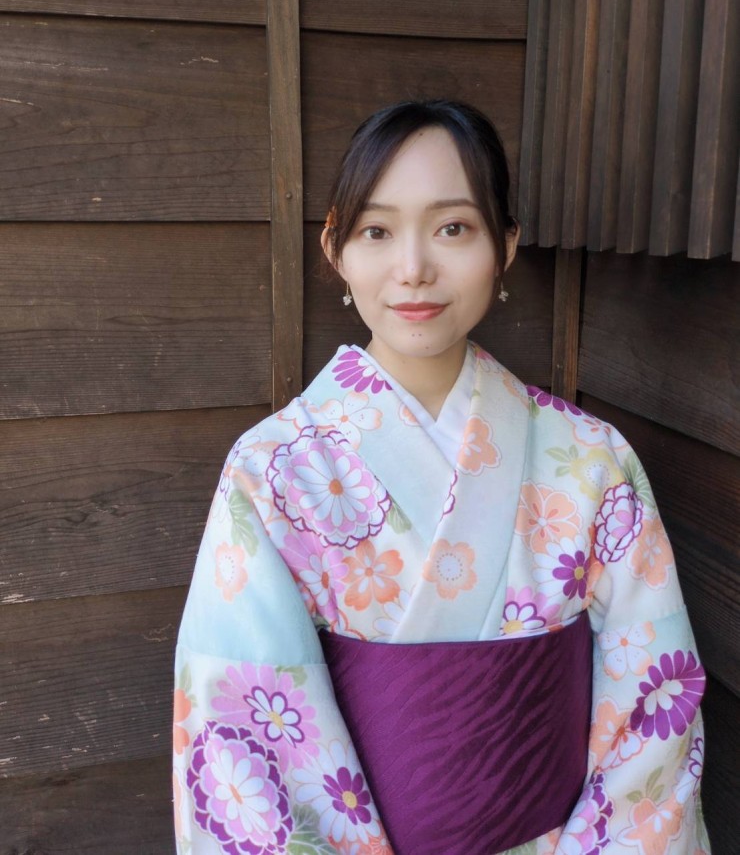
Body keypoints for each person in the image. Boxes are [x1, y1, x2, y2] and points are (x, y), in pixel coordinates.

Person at [173, 100, 710, 854]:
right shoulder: (274, 471)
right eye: (377, 231)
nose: (414, 268)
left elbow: (655, 703)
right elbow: (238, 725)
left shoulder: (593, 459)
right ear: (336, 249)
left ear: (506, 245)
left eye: (453, 228)